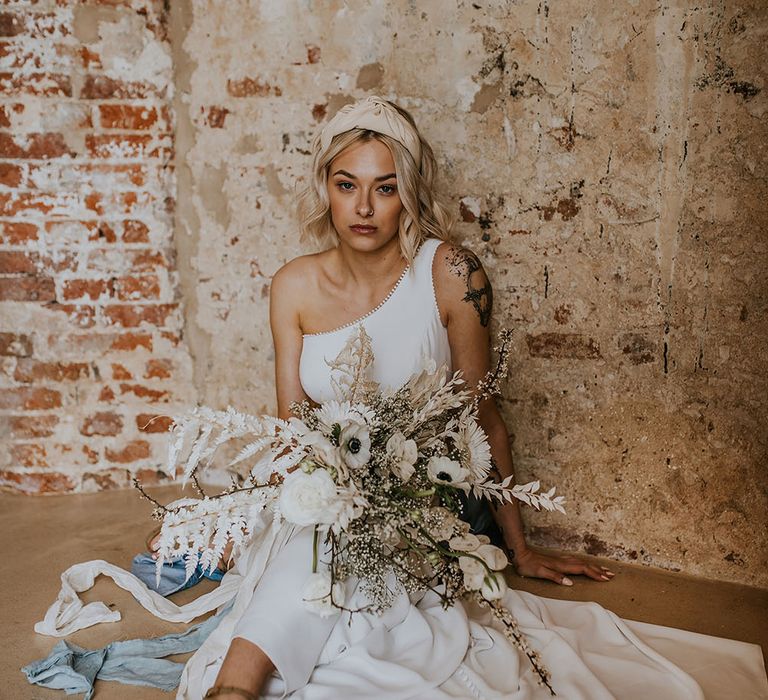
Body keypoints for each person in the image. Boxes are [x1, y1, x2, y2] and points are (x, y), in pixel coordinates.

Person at [29, 97, 768, 700]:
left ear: (408, 190)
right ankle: (238, 688)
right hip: (324, 491)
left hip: (428, 497)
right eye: (347, 183)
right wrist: (282, 506)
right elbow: (296, 433)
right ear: (325, 185)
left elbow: (483, 417)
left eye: (385, 187)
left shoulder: (450, 273)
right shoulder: (292, 286)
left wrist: (519, 545)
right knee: (318, 542)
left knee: (347, 552)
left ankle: (237, 688)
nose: (364, 206)